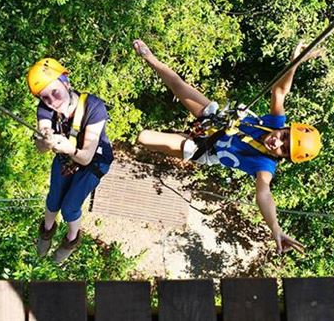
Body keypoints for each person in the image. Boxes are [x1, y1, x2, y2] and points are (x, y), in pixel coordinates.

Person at [133, 39, 323, 254]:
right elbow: (279, 91)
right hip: (216, 120)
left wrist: (275, 227)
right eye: (284, 136)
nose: (277, 142)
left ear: (283, 157)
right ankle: (149, 57)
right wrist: (295, 62)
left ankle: (174, 136)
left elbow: (264, 194)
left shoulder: (265, 165)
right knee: (179, 85)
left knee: (144, 137)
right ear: (285, 128)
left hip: (203, 147)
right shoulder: (274, 122)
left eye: (283, 148)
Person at [27, 58, 113, 262]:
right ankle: (47, 231)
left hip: (93, 161)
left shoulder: (94, 108)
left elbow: (85, 158)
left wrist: (69, 147)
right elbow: (40, 148)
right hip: (66, 156)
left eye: (55, 92)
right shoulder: (46, 109)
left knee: (70, 207)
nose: (52, 101)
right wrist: (44, 140)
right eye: (45, 97)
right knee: (53, 198)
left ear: (66, 82)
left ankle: (71, 240)